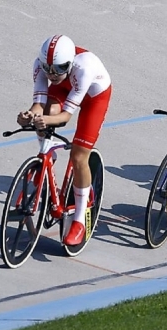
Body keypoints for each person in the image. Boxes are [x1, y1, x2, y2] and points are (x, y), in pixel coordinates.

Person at [16, 35, 112, 246]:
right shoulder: (43, 66)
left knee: (79, 156)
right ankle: (48, 157)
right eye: (48, 69)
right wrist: (29, 116)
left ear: (68, 63)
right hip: (66, 87)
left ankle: (78, 219)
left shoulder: (84, 67)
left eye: (59, 68)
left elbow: (65, 118)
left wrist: (46, 120)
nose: (52, 74)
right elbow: (38, 105)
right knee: (46, 112)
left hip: (94, 97)